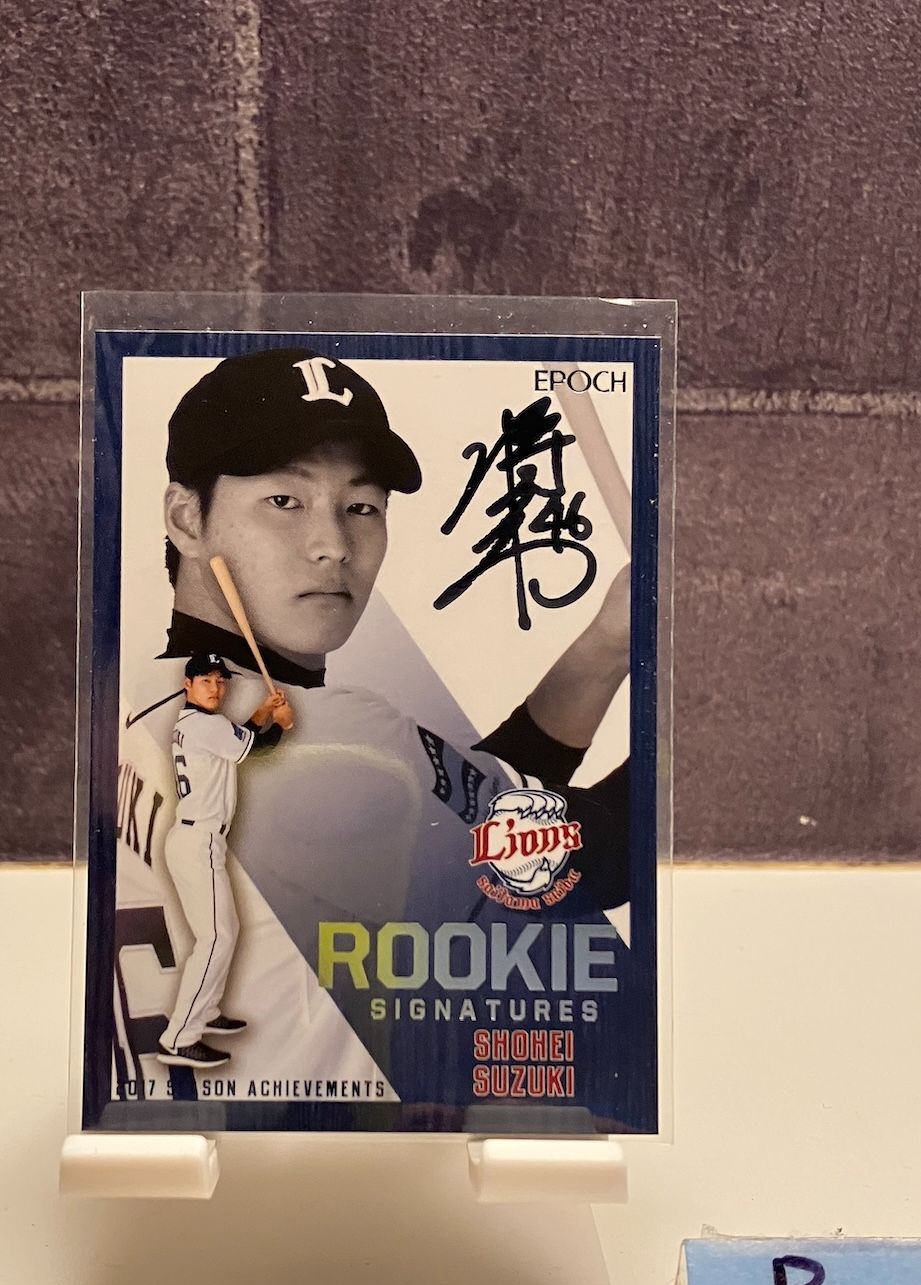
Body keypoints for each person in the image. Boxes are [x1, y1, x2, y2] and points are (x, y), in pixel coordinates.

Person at [111, 345, 633, 1113]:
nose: (333, 545)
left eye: (361, 506)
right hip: (309, 1172)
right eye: (284, 500)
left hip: (203, 1144)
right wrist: (709, 700)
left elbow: (450, 803)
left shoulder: (148, 694)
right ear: (187, 518)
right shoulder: (327, 743)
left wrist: (611, 644)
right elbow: (601, 854)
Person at [155, 652, 291, 1069]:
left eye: (220, 680)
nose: (215, 688)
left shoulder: (196, 723)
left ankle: (208, 1010)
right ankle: (179, 1038)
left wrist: (263, 711)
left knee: (224, 932)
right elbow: (257, 748)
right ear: (187, 685)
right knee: (216, 938)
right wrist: (282, 725)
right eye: (205, 680)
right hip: (198, 842)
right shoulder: (208, 726)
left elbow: (240, 737)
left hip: (195, 839)